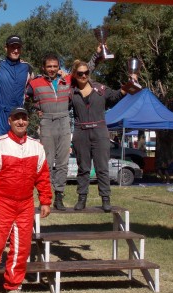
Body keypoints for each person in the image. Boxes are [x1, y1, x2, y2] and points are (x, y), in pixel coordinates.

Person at [0, 107, 52, 293]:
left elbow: (43, 176)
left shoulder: (37, 147)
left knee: (21, 249)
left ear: (28, 121)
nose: (21, 122)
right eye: (17, 118)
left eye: (24, 118)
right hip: (1, 202)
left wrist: (45, 200)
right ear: (10, 121)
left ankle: (13, 287)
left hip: (26, 204)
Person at [26, 51, 101, 211]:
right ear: (44, 68)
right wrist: (35, 108)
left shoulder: (67, 80)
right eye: (49, 66)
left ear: (59, 66)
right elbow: (23, 99)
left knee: (62, 163)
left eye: (55, 66)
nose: (52, 69)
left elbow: (87, 69)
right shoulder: (35, 83)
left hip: (64, 121)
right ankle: (45, 198)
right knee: (46, 162)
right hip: (46, 122)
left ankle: (59, 196)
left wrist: (97, 53)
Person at [70, 59, 128, 212]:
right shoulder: (71, 92)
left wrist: (126, 89)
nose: (84, 76)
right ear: (75, 75)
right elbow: (57, 105)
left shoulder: (100, 89)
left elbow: (115, 97)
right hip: (80, 132)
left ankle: (105, 199)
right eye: (80, 73)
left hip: (100, 131)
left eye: (86, 73)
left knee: (102, 168)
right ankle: (82, 198)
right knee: (83, 168)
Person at [0, 35, 33, 141]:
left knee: (16, 152)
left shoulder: (28, 68)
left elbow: (37, 85)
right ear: (6, 48)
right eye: (12, 47)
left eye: (18, 47)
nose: (15, 50)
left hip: (17, 115)